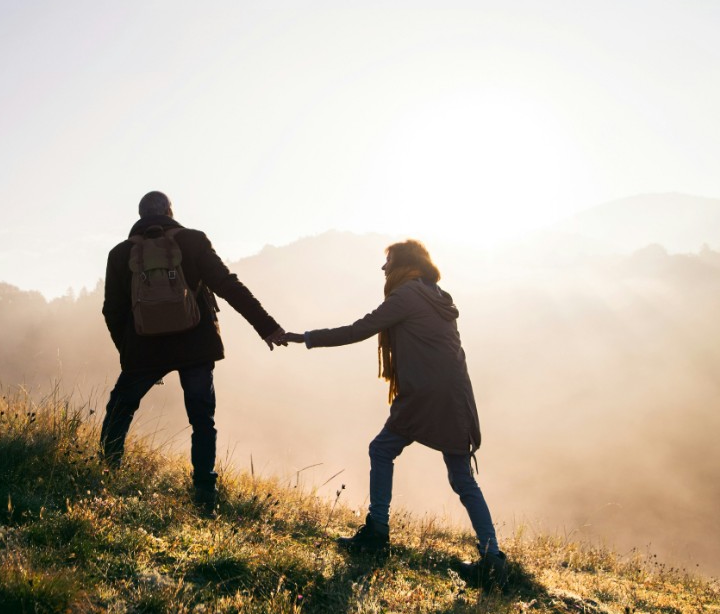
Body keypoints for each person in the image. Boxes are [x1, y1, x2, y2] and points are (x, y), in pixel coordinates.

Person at [284, 239, 505, 579]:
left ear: (402, 263)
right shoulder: (438, 295)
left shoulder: (407, 295)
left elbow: (360, 329)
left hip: (424, 396)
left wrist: (307, 337)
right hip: (455, 396)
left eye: (387, 261)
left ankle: (376, 533)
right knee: (462, 477)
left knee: (382, 449)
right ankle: (493, 558)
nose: (383, 268)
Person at [100, 191, 286, 515]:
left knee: (120, 408)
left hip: (144, 349)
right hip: (195, 345)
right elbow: (229, 285)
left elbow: (112, 311)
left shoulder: (121, 254)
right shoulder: (193, 241)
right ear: (170, 212)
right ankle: (204, 493)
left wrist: (129, 354)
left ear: (140, 215)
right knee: (202, 419)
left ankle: (104, 477)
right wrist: (267, 326)